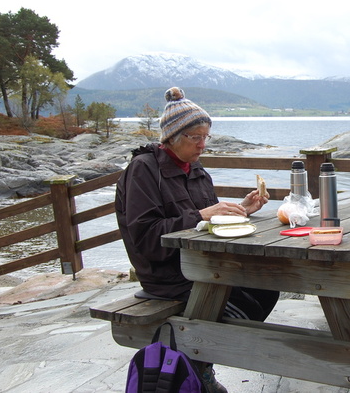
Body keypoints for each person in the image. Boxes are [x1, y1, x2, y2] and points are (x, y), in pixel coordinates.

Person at [115, 87, 279, 392]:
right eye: (196, 137)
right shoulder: (144, 170)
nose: (203, 144)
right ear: (173, 136)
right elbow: (146, 236)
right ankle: (195, 365)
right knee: (238, 301)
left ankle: (199, 364)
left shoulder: (196, 170)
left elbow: (209, 222)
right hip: (169, 275)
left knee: (267, 285)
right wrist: (201, 215)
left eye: (206, 136)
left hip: (204, 264)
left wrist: (243, 210)